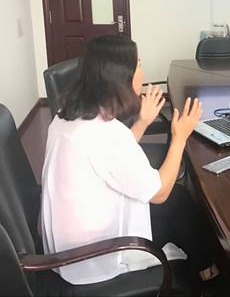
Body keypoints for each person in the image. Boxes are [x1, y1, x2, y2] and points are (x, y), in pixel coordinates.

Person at [41, 35, 219, 286]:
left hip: (69, 237)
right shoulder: (106, 133)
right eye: (139, 66)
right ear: (120, 78)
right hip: (93, 252)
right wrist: (180, 137)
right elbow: (159, 193)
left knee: (178, 204)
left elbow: (111, 159)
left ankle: (205, 266)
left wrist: (142, 122)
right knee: (176, 201)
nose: (142, 72)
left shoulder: (67, 115)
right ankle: (210, 275)